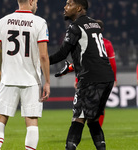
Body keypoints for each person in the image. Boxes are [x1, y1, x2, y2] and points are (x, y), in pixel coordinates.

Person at [49, 0, 114, 149]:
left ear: (78, 8)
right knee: (93, 119)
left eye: (69, 4)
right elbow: (91, 55)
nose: (65, 7)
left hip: (90, 79)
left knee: (78, 118)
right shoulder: (95, 24)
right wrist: (72, 68)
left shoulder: (75, 26)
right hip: (107, 78)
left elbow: (62, 54)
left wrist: (43, 60)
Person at [0, 0, 50, 150]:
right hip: (31, 81)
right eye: (36, 1)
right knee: (31, 123)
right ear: (30, 1)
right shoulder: (40, 22)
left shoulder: (3, 21)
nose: (37, 4)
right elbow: (43, 56)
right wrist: (47, 82)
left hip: (8, 79)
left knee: (0, 121)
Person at [56, 20, 117, 127]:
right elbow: (112, 64)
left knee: (84, 103)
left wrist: (77, 79)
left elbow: (79, 63)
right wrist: (114, 78)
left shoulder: (85, 42)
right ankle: (97, 127)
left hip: (87, 77)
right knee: (100, 105)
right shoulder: (107, 44)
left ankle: (81, 127)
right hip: (102, 77)